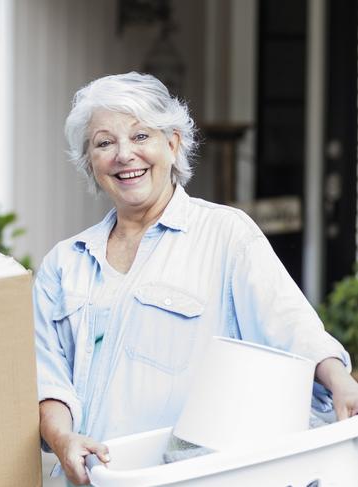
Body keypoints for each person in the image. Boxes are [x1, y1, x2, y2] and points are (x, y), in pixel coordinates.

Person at [34, 72, 358, 485]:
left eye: (140, 136)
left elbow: (291, 326)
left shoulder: (226, 235)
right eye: (104, 142)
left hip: (186, 478)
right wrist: (62, 439)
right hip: (91, 480)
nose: (124, 155)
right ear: (89, 162)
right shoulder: (64, 263)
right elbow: (49, 379)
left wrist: (339, 380)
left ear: (173, 144)